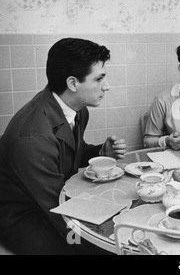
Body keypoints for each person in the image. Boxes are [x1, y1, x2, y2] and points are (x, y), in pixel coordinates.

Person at [0, 38, 127, 255]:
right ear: (72, 83)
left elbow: (67, 152)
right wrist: (107, 248)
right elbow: (60, 211)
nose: (107, 86)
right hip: (23, 216)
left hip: (52, 199)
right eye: (99, 79)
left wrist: (99, 153)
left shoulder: (75, 108)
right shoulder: (32, 137)